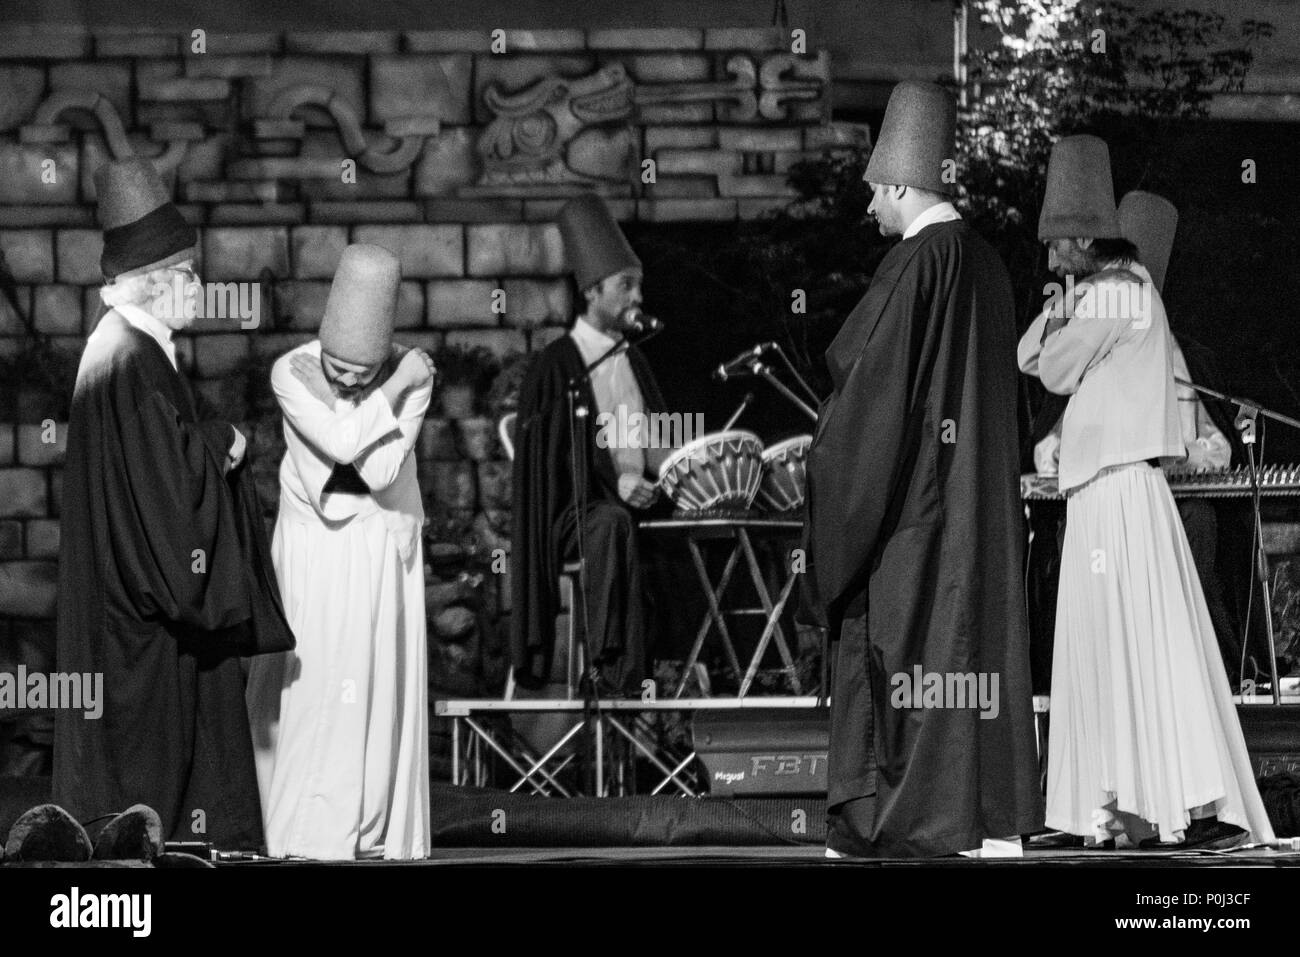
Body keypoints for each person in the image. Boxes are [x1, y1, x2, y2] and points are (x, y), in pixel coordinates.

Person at [804, 81, 1044, 859]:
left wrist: (827, 478)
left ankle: (902, 820)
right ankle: (986, 815)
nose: (870, 204)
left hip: (917, 521)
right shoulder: (990, 268)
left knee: (907, 658)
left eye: (876, 189)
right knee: (975, 655)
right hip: (983, 516)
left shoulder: (913, 266)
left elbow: (866, 405)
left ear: (904, 185)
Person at [1017, 135, 1273, 849]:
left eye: (1055, 246)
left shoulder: (1122, 295)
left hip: (1126, 493)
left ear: (1079, 238)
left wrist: (1069, 301)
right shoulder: (1105, 297)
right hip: (1098, 497)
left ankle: (1197, 805)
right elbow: (1028, 353)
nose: (1047, 261)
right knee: (1097, 652)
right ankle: (1094, 811)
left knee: (1150, 651)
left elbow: (1051, 368)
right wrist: (1066, 297)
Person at [53, 157, 293, 851]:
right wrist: (222, 444)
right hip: (144, 631)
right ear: (158, 280)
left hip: (129, 612)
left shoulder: (123, 348)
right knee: (148, 802)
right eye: (191, 274)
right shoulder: (130, 358)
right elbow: (166, 495)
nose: (200, 288)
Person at [244, 244, 435, 860]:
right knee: (312, 682)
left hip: (379, 544)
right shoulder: (289, 370)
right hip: (315, 549)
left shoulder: (412, 373)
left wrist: (386, 391)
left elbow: (377, 467)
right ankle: (297, 826)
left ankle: (370, 827)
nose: (349, 381)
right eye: (337, 369)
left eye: (365, 371)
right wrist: (385, 393)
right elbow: (341, 441)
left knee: (370, 684)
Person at [510, 194, 673, 695]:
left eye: (639, 287)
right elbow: (551, 459)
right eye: (626, 286)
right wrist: (614, 481)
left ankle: (676, 670)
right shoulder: (558, 364)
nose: (637, 298)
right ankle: (609, 669)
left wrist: (678, 471)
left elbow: (662, 440)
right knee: (609, 525)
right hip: (573, 512)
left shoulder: (636, 359)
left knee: (687, 532)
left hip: (635, 503)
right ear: (592, 290)